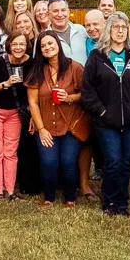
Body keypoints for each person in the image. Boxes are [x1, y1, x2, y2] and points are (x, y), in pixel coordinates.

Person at [82, 13, 130, 217]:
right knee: (113, 161)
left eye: (124, 27)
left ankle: (122, 202)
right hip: (105, 121)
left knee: (126, 162)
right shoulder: (97, 56)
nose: (120, 31)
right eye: (116, 26)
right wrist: (101, 110)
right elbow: (88, 90)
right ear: (108, 29)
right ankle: (109, 200)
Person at [27, 31, 89, 207]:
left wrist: (69, 98)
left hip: (70, 124)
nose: (47, 47)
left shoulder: (74, 67)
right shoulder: (37, 71)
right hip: (46, 125)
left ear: (58, 44)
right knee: (49, 162)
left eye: (50, 43)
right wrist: (41, 129)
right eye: (43, 46)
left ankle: (70, 197)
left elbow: (86, 94)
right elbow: (33, 103)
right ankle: (49, 197)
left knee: (68, 162)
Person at [0, 28, 32, 200]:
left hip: (15, 113)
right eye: (15, 44)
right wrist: (5, 84)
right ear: (9, 45)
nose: (18, 47)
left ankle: (10, 190)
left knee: (10, 152)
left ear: (27, 46)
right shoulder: (1, 61)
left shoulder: (30, 63)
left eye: (22, 44)